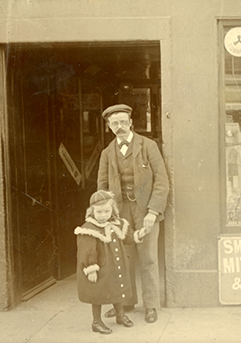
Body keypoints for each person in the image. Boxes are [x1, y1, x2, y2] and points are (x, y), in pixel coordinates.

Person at [97, 104, 169, 323]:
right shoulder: (107, 153)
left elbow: (162, 181)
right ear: (109, 126)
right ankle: (127, 302)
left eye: (123, 122)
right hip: (120, 213)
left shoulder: (148, 146)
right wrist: (107, 215)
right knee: (123, 259)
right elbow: (102, 186)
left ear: (130, 123)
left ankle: (151, 305)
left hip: (145, 210)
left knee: (148, 258)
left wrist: (153, 211)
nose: (119, 126)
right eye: (114, 123)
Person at [74, 190, 147, 334]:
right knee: (98, 293)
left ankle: (120, 315)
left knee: (117, 289)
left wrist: (138, 235)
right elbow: (87, 251)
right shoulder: (89, 229)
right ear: (91, 212)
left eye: (106, 211)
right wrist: (91, 268)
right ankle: (96, 321)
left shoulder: (117, 224)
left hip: (115, 266)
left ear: (112, 210)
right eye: (99, 212)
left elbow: (126, 238)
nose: (103, 215)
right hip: (101, 268)